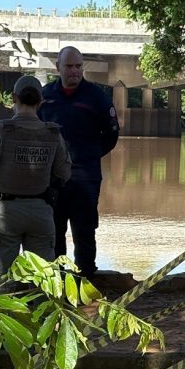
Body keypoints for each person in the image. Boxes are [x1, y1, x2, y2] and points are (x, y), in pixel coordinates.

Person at [0, 75, 71, 289]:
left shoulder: (1, 131)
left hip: (5, 212)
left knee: (2, 279)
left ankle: (3, 320)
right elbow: (64, 173)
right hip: (40, 211)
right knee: (42, 279)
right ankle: (41, 320)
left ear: (14, 98)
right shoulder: (53, 134)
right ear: (41, 101)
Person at [38, 46, 120, 274]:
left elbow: (111, 135)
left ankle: (85, 281)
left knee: (84, 232)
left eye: (78, 66)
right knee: (53, 232)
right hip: (52, 179)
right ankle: (57, 283)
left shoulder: (97, 97)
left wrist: (89, 154)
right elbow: (34, 132)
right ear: (58, 67)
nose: (74, 71)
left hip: (85, 177)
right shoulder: (45, 97)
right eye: (69, 66)